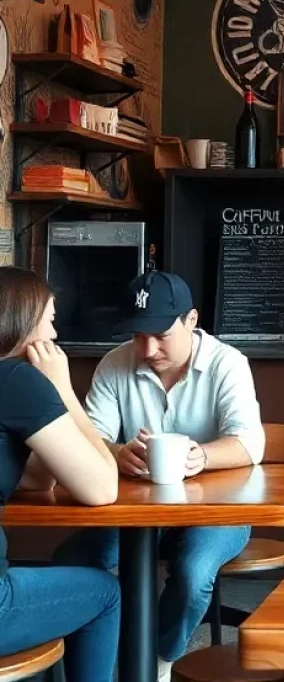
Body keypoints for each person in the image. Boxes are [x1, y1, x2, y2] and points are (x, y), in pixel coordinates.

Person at [55, 270, 265, 682]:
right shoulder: (115, 363)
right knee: (73, 560)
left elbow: (248, 444)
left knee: (193, 572)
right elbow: (89, 437)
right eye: (137, 335)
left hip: (220, 510)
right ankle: (82, 667)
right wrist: (117, 452)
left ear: (191, 321)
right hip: (137, 510)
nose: (147, 348)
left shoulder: (227, 363)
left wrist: (200, 456)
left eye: (160, 335)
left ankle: (159, 661)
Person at [0, 267, 120, 682]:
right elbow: (103, 488)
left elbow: (37, 479)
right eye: (50, 321)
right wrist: (64, 391)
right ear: (24, 324)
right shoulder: (17, 380)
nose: (54, 335)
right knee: (104, 592)